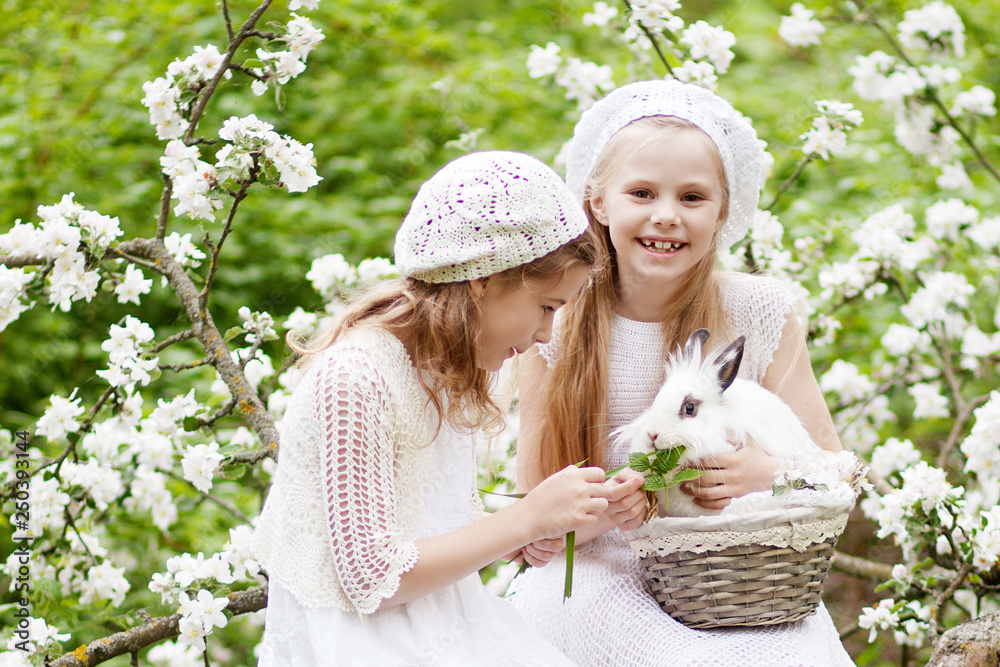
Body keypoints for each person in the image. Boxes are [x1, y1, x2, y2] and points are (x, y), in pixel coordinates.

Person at [505, 80, 855, 666]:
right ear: (598, 202)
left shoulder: (762, 311)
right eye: (641, 192)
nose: (665, 216)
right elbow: (530, 516)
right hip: (598, 573)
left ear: (722, 211)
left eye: (692, 198)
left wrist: (764, 472)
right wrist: (597, 512)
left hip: (732, 575)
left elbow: (839, 470)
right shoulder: (556, 321)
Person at [251, 150, 644, 666]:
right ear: (484, 278)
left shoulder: (447, 371)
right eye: (546, 307)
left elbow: (427, 528)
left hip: (443, 623)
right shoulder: (355, 377)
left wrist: (555, 521)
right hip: (362, 645)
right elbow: (372, 579)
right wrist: (525, 520)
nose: (546, 333)